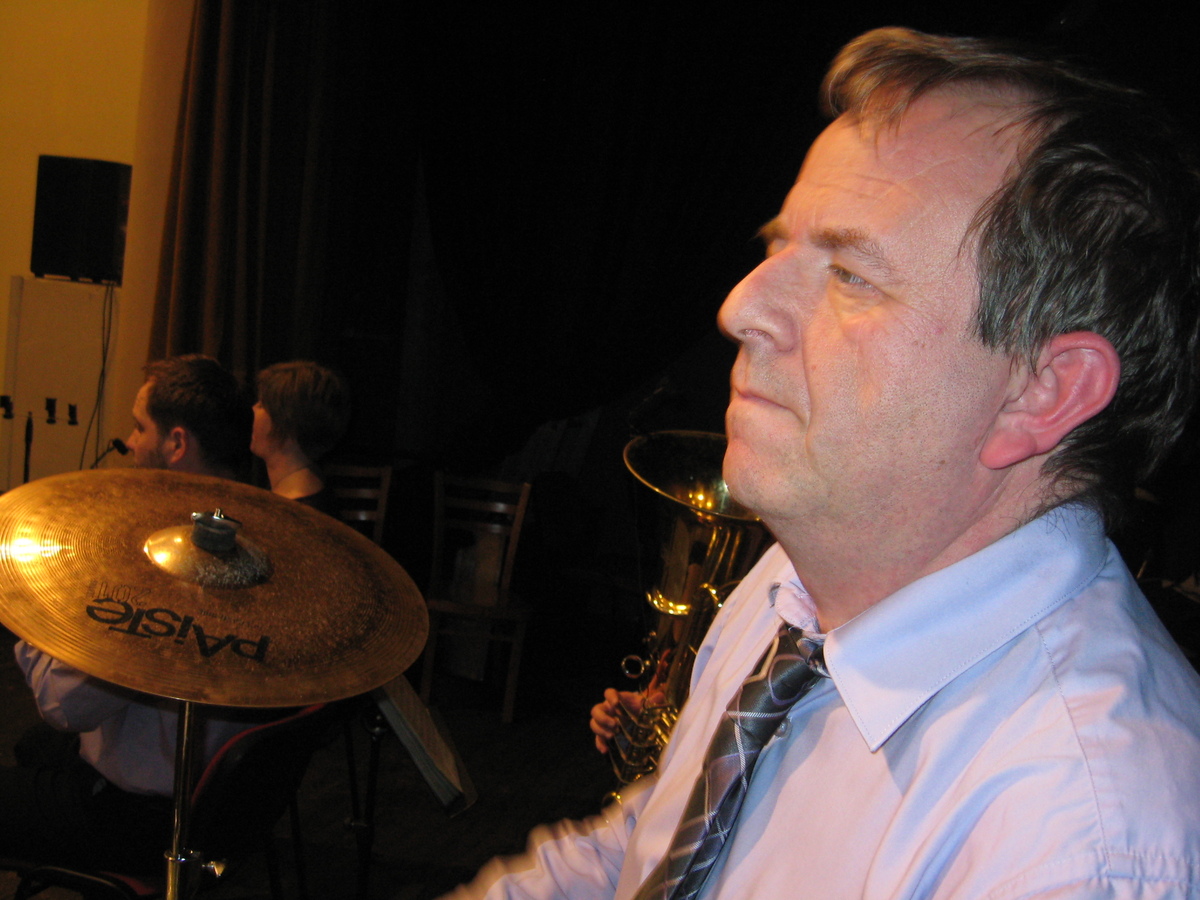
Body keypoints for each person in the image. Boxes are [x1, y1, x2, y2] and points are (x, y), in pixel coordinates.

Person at [445, 27, 1200, 899]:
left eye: (851, 275)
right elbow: (642, 850)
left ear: (1041, 393)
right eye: (777, 248)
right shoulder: (790, 590)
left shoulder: (1082, 847)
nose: (740, 307)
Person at [1, 354, 259, 873]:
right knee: (36, 747)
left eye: (141, 428)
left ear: (177, 443)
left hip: (142, 819)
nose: (130, 442)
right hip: (231, 805)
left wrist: (28, 607)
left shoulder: (167, 569)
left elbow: (64, 706)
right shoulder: (264, 539)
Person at [250, 360, 351, 513]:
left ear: (287, 422)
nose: (254, 409)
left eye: (263, 405)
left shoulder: (298, 511)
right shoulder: (304, 490)